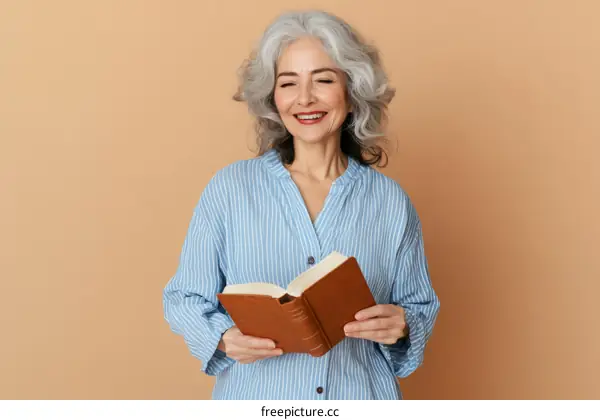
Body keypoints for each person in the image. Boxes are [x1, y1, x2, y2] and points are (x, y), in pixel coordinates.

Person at [163, 10, 440, 400]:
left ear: (352, 90)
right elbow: (184, 297)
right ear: (273, 98)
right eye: (288, 83)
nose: (305, 99)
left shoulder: (390, 201)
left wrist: (405, 325)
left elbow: (419, 305)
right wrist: (222, 338)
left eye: (323, 80)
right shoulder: (229, 190)